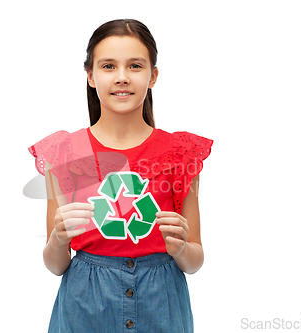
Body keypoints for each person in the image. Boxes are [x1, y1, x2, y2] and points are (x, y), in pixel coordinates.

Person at [28, 18, 214, 332]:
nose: (122, 78)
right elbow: (56, 265)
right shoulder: (65, 152)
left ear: (153, 76)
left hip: (161, 304)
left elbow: (194, 261)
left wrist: (182, 248)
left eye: (136, 66)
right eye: (109, 66)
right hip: (84, 306)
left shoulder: (180, 153)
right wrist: (57, 240)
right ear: (90, 75)